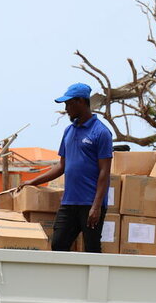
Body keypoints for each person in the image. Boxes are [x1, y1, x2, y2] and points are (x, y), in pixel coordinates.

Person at [20, 82, 113, 252]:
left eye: (69, 103)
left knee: (92, 249)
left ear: (81, 102)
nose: (66, 108)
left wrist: (96, 206)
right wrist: (33, 182)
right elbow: (61, 165)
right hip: (69, 201)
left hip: (90, 203)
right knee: (58, 245)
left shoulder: (101, 133)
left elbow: (105, 172)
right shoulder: (69, 131)